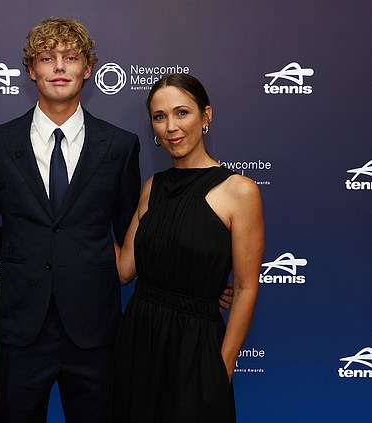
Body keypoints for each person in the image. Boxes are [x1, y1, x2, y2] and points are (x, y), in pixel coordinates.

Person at [0, 17, 141, 423]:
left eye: (71, 57)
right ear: (31, 70)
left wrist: (199, 285)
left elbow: (134, 237)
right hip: (21, 328)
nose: (60, 67)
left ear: (88, 68)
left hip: (95, 330)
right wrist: (24, 251)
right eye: (47, 58)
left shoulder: (120, 146)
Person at [111, 73, 264, 422]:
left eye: (182, 113)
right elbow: (124, 270)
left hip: (196, 348)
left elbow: (244, 289)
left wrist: (221, 369)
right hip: (139, 340)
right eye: (160, 117)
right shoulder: (153, 186)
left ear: (206, 116)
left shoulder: (239, 191)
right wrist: (77, 218)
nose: (171, 127)